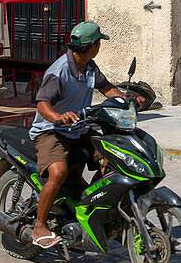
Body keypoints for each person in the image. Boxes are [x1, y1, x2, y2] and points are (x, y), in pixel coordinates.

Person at [30, 21, 123, 249]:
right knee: (58, 172)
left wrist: (126, 100)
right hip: (51, 131)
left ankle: (92, 210)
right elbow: (43, 104)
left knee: (114, 159)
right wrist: (58, 117)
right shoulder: (59, 70)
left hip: (79, 128)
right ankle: (40, 226)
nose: (99, 47)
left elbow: (107, 88)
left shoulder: (90, 67)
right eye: (99, 43)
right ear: (92, 46)